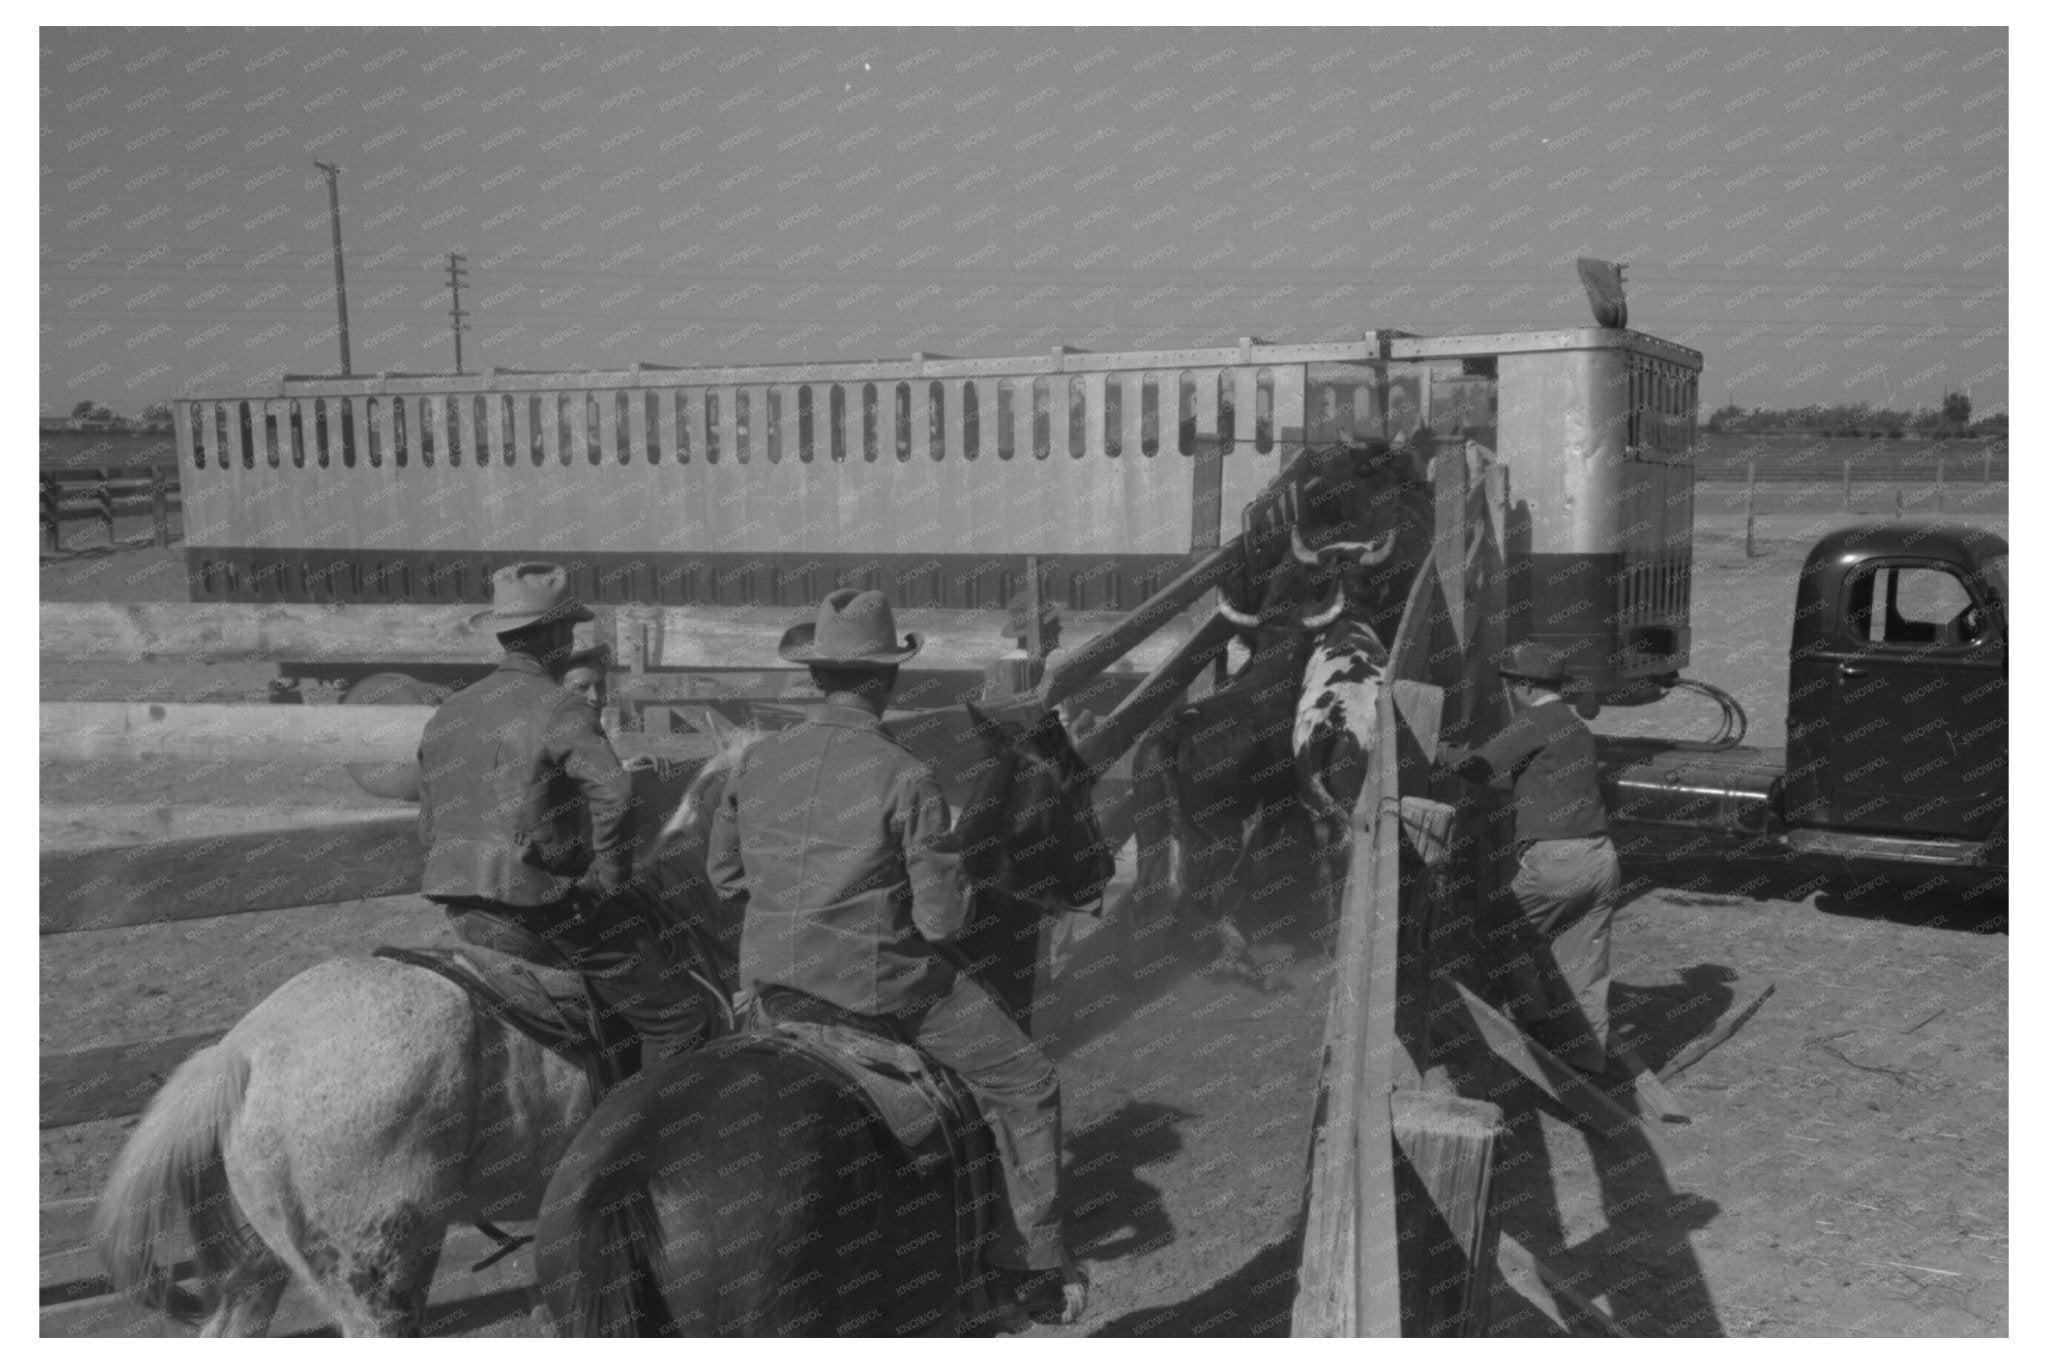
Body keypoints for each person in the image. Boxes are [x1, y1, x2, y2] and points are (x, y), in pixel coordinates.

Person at [706, 588, 1081, 1324]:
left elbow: (723, 880)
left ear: (817, 676)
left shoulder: (754, 761)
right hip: (878, 988)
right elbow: (942, 919)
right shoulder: (906, 774)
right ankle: (1030, 1262)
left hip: (768, 984)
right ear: (886, 680)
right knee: (1029, 1083)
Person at [416, 562, 712, 1073]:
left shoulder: (450, 711)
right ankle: (639, 1143)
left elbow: (428, 822)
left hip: (461, 903)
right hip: (538, 905)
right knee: (678, 1022)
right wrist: (610, 878)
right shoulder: (559, 707)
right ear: (553, 633)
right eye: (568, 629)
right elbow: (615, 792)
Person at [1436, 640, 1621, 1074]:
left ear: (1523, 685)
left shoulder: (1537, 720)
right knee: (1585, 964)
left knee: (1502, 930)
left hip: (1558, 861)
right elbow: (1540, 783)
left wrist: (1440, 752)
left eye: (1511, 686)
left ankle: (1533, 1028)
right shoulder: (1574, 727)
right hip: (1601, 858)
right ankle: (1587, 1062)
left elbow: (1480, 768)